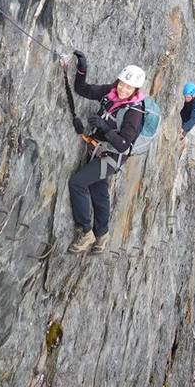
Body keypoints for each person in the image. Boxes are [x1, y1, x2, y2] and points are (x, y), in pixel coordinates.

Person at [65, 50, 146, 254]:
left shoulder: (134, 113)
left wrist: (105, 127)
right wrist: (82, 68)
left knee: (78, 183)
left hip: (112, 156)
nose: (123, 89)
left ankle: (86, 232)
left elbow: (123, 144)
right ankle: (102, 235)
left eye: (129, 87)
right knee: (98, 191)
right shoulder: (110, 93)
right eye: (122, 83)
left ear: (136, 89)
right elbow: (82, 89)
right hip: (99, 150)